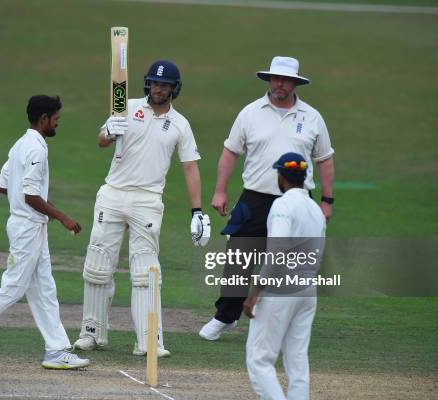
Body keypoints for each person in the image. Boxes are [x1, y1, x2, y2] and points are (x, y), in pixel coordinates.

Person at [73, 60, 211, 357]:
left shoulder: (180, 124)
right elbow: (101, 142)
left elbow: (190, 168)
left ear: (175, 88)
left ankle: (149, 341)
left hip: (148, 200)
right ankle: (92, 333)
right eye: (154, 83)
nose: (158, 89)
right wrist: (109, 130)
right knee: (97, 267)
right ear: (147, 84)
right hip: (112, 193)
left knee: (145, 272)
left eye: (165, 85)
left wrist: (197, 211)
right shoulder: (125, 105)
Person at [0, 95, 89, 370]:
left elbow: (3, 186)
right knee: (13, 287)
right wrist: (63, 217)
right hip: (28, 229)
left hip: (29, 226)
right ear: (44, 119)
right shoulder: (36, 149)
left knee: (44, 290)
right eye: (56, 119)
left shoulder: (20, 145)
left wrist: (32, 207)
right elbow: (30, 195)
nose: (58, 123)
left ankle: (57, 349)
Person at [199, 56, 335, 341]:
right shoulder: (250, 112)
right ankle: (226, 316)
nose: (280, 84)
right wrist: (220, 190)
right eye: (275, 79)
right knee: (238, 258)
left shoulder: (312, 117)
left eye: (285, 80)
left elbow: (324, 159)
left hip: (298, 199)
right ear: (269, 80)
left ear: (295, 83)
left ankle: (282, 323)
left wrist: (326, 200)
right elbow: (230, 152)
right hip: (255, 198)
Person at [243, 152, 326, 400]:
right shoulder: (316, 209)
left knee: (259, 359)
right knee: (297, 360)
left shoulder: (282, 205)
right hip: (307, 290)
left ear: (281, 177)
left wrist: (255, 292)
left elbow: (277, 250)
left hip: (281, 289)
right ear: (304, 177)